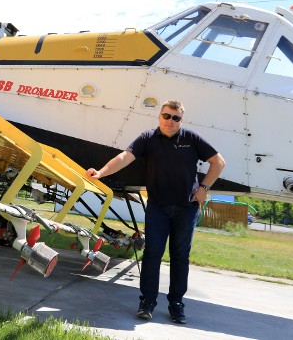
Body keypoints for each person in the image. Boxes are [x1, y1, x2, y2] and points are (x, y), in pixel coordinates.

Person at [86, 100, 225, 324]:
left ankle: (176, 304)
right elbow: (124, 157)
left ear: (181, 119)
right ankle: (147, 302)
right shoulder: (147, 138)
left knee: (180, 257)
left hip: (186, 208)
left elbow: (218, 162)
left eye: (175, 118)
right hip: (158, 208)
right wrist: (100, 173)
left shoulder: (192, 139)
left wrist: (204, 188)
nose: (170, 121)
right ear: (159, 116)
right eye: (166, 116)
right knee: (152, 254)